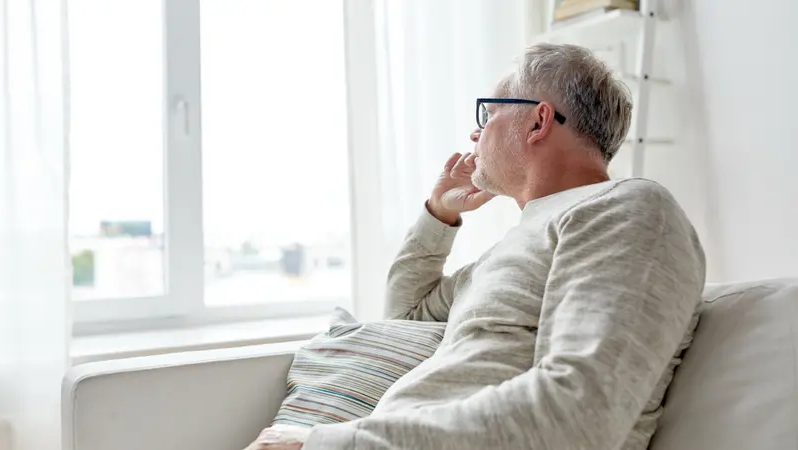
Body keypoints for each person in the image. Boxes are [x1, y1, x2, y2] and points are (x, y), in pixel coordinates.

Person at [252, 43, 706, 450]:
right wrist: (438, 213)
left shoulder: (627, 210)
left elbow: (580, 412)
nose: (475, 134)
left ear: (537, 120)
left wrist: (327, 444)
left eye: (487, 114)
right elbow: (405, 316)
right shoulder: (510, 251)